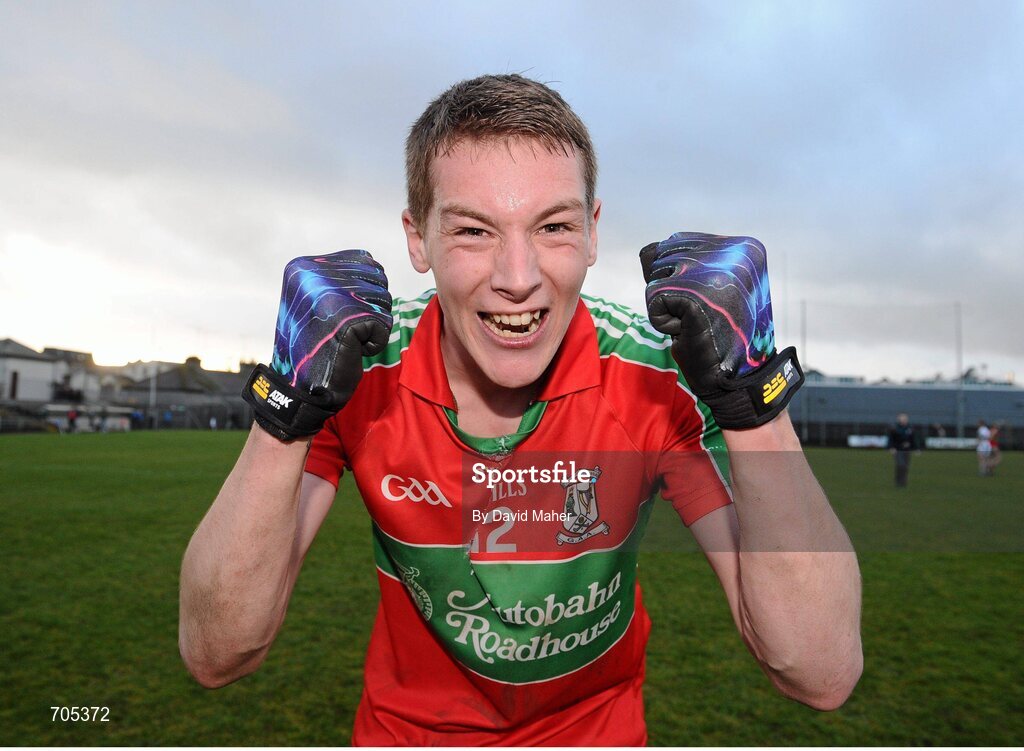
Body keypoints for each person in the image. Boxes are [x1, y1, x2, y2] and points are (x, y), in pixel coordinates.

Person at [178, 74, 862, 745]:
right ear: (417, 239)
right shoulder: (360, 371)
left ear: (594, 232)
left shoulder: (658, 375)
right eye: (474, 231)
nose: (516, 276)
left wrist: (754, 403)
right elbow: (218, 652)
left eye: (554, 226)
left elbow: (820, 669)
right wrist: (285, 410)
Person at [887, 413, 920, 488]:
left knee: (905, 467)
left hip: (907, 451)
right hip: (898, 450)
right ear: (899, 420)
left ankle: (903, 483)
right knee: (900, 465)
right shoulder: (894, 429)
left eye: (905, 419)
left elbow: (913, 440)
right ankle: (898, 481)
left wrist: (916, 449)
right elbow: (891, 439)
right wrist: (891, 447)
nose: (904, 420)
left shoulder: (910, 429)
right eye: (902, 419)